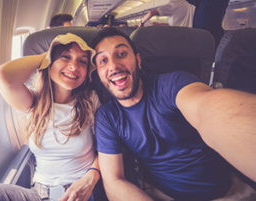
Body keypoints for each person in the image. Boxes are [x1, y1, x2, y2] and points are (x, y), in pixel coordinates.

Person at [91, 27, 256, 201]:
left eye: (122, 54)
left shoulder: (172, 84)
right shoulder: (107, 117)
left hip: (230, 193)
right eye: (103, 60)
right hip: (163, 196)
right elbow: (114, 181)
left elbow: (207, 108)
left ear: (138, 60)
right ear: (98, 74)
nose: (114, 66)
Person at [0, 33, 106, 201]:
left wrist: (92, 176)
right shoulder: (33, 103)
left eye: (82, 61)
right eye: (65, 57)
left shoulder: (90, 101)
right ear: (50, 62)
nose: (73, 66)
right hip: (38, 194)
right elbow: (3, 75)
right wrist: (48, 54)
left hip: (81, 191)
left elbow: (108, 148)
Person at [139, 0, 229, 47]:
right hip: (194, 35)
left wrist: (141, 23)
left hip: (192, 38)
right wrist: (157, 25)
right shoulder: (187, 5)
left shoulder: (174, 4)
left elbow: (151, 13)